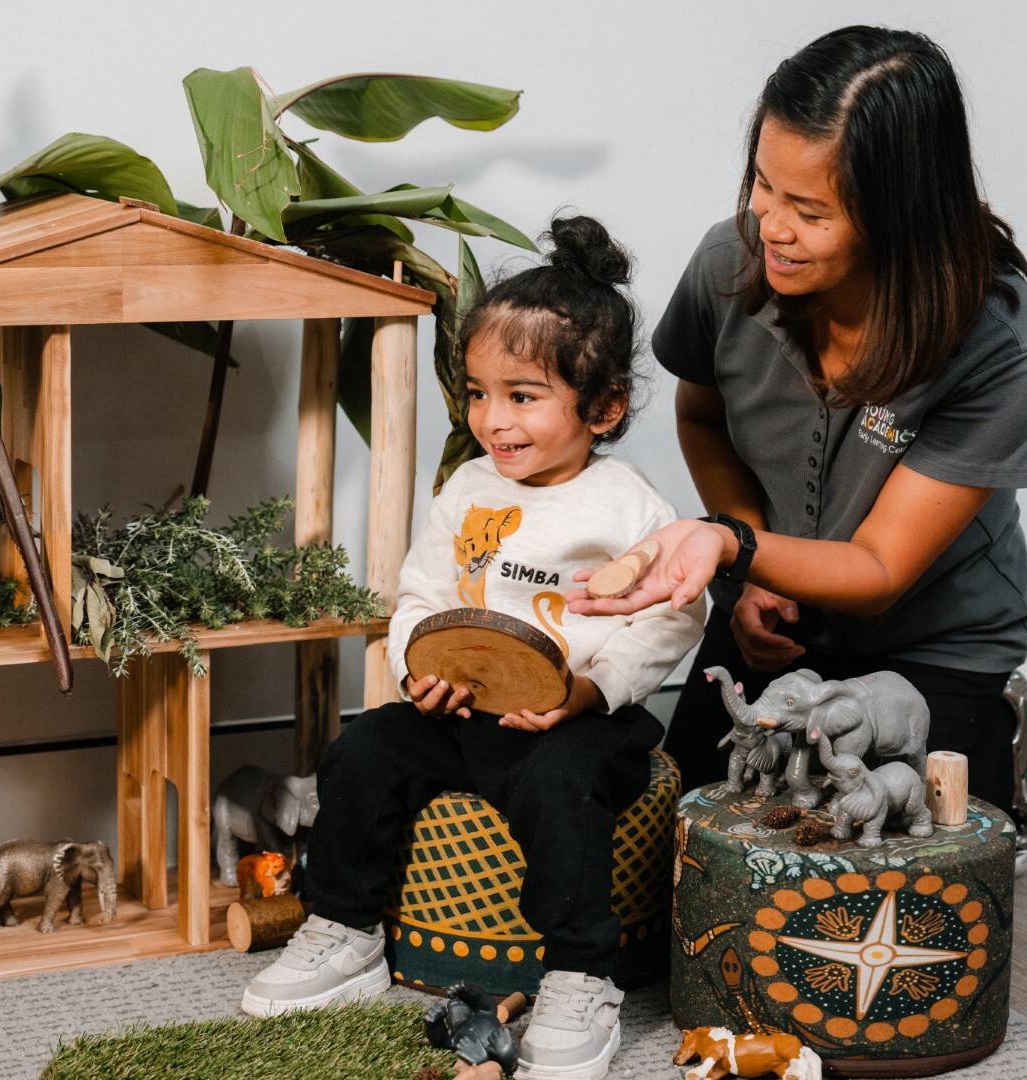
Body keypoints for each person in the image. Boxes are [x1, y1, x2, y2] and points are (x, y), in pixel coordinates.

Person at [240, 216, 705, 1080]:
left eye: (522, 396)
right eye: (478, 392)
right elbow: (422, 594)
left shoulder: (627, 504)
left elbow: (673, 616)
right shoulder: (469, 486)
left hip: (578, 722)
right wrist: (420, 671)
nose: (493, 419)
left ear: (603, 408)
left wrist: (593, 690)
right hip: (464, 714)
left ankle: (582, 974)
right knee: (362, 751)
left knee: (561, 789)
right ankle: (344, 926)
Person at [568, 26, 1027, 815]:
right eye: (764, 185)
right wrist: (749, 578)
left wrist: (732, 546)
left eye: (810, 210)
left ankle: (999, 728)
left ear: (902, 215)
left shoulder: (1002, 344)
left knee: (879, 855)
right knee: (682, 840)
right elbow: (703, 416)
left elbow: (879, 568)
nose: (771, 225)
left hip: (932, 645)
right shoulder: (729, 265)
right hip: (776, 618)